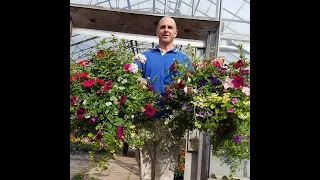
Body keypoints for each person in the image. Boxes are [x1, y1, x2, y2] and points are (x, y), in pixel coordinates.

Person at [134, 16, 192, 180]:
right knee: (145, 170)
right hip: (145, 120)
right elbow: (131, 81)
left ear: (176, 32)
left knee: (165, 172)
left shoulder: (184, 60)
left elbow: (192, 87)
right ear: (157, 31)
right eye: (162, 27)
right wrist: (138, 81)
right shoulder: (144, 57)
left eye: (170, 27)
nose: (166, 30)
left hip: (170, 122)